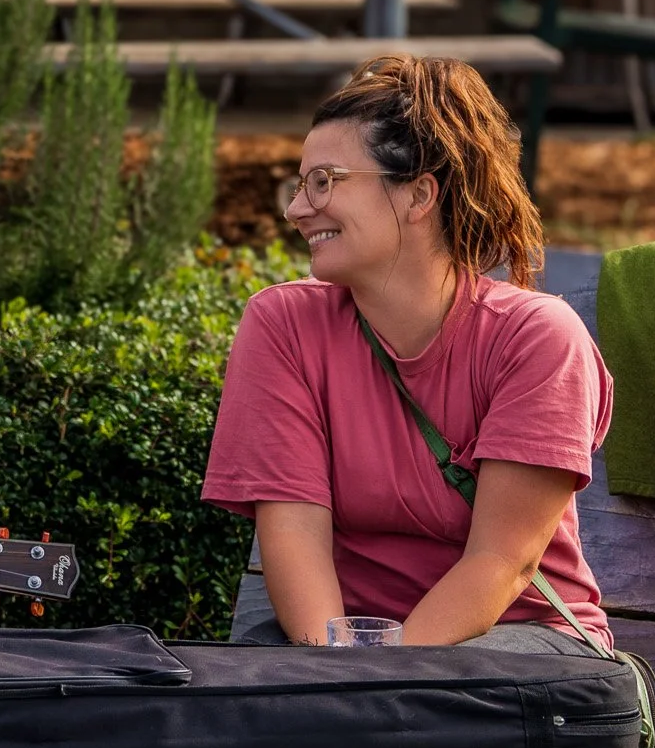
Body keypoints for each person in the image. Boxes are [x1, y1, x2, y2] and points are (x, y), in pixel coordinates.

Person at [203, 53, 613, 659]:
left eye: (323, 181)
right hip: (346, 654)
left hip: (515, 653)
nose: (294, 210)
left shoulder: (537, 340)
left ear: (418, 194)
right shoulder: (283, 326)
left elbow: (501, 562)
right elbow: (294, 536)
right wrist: (344, 672)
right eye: (297, 186)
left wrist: (380, 685)